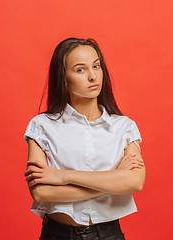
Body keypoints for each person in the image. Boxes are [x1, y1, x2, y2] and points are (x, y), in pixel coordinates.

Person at [24, 37, 145, 240]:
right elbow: (41, 193)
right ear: (63, 78)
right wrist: (111, 183)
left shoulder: (124, 127)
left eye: (96, 66)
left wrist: (64, 177)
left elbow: (135, 182)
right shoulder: (42, 125)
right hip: (58, 235)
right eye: (80, 69)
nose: (92, 76)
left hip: (109, 235)